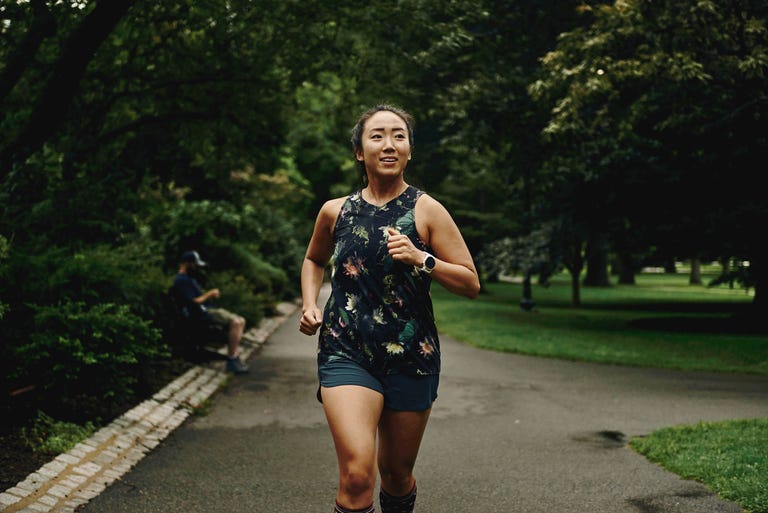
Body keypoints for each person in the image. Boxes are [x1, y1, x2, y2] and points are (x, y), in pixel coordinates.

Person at [299, 105, 480, 513]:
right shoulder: (335, 211)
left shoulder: (427, 210)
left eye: (398, 136)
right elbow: (313, 260)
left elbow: (470, 283)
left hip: (411, 354)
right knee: (358, 475)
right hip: (346, 350)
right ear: (360, 152)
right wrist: (310, 303)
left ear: (410, 150)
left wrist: (423, 259)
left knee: (396, 476)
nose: (388, 144)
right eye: (377, 135)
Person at [171, 250, 250, 374]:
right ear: (187, 263)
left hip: (206, 310)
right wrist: (211, 293)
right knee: (235, 322)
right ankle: (232, 360)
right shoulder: (181, 280)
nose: (197, 267)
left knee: (241, 320)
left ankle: (234, 356)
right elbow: (194, 301)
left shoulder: (189, 278)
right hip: (198, 314)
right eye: (195, 264)